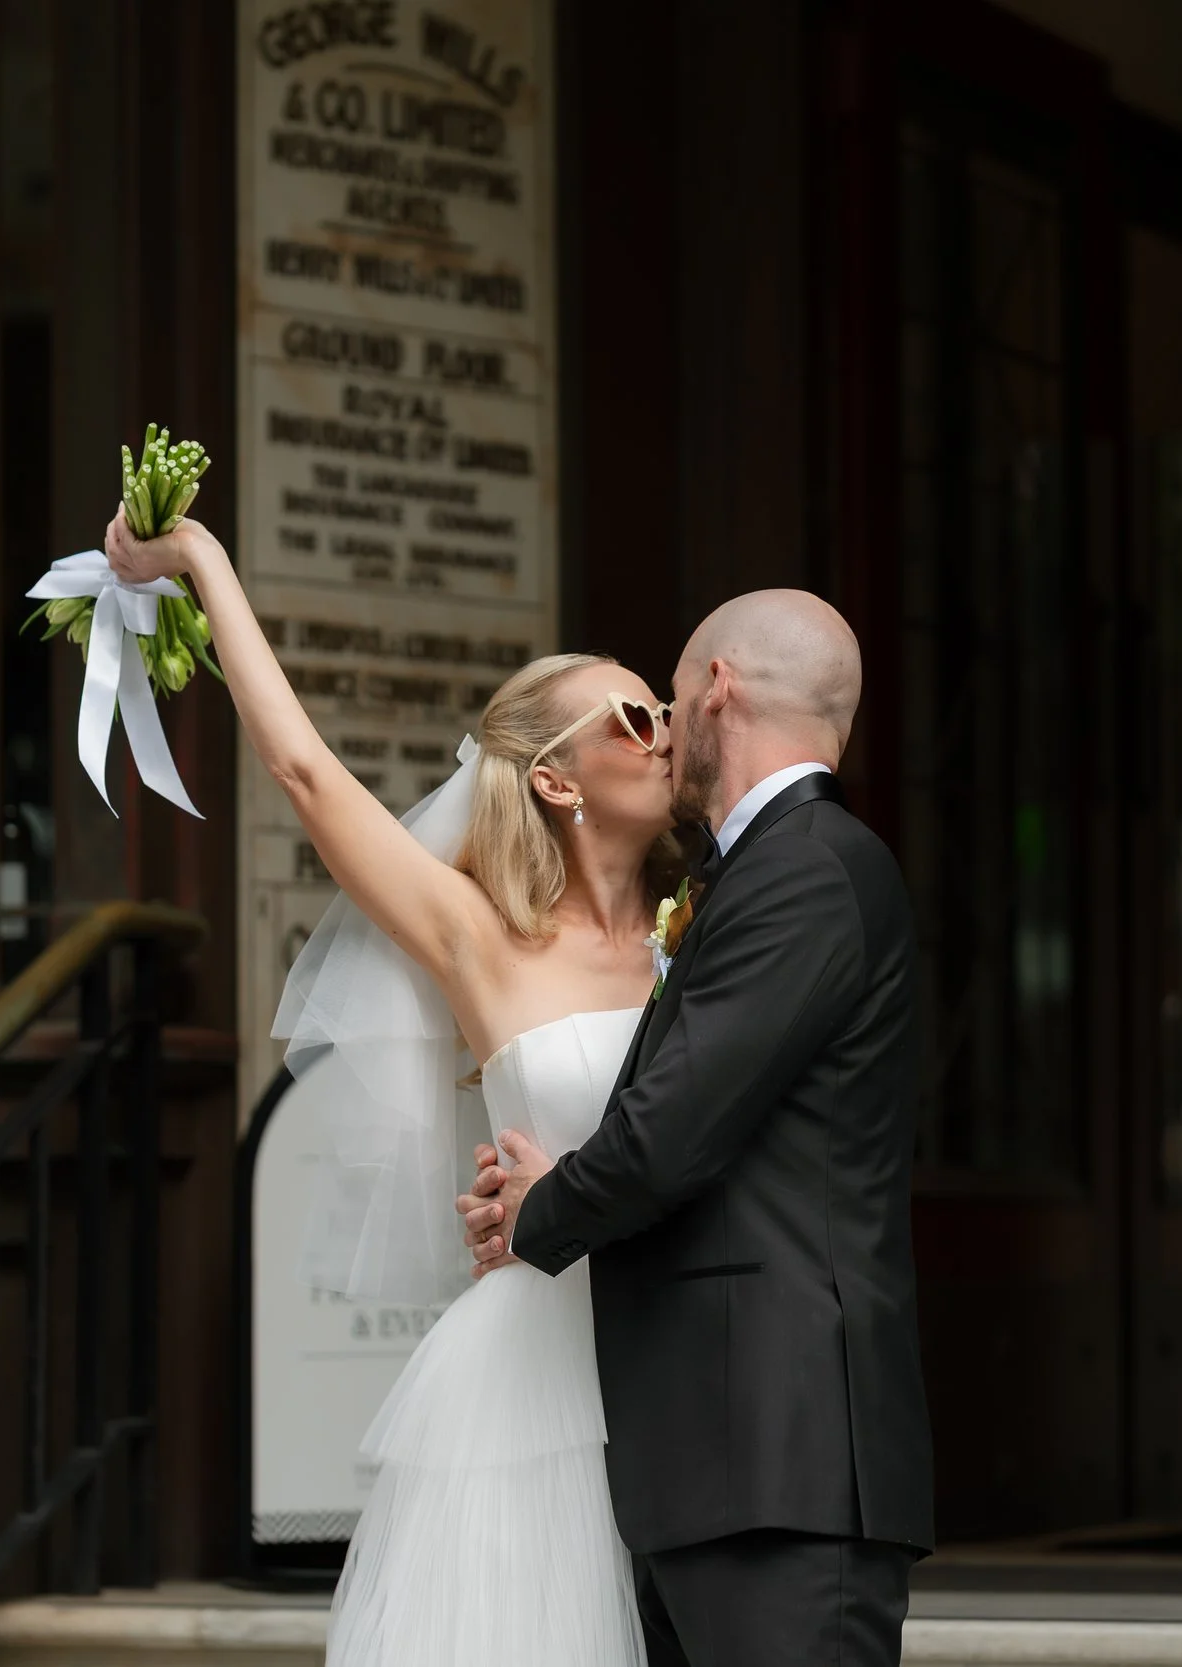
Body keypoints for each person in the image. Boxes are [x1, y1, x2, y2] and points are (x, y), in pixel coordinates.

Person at [102, 506, 677, 1665]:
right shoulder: (479, 935)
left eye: (664, 706)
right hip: (538, 1384)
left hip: (680, 1362)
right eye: (634, 714)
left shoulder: (700, 937)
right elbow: (305, 774)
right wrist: (201, 558)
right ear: (557, 780)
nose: (665, 731)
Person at [460, 589, 935, 1666]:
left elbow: (675, 1127)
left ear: (716, 685)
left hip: (784, 1465)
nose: (666, 729)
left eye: (669, 701)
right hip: (714, 1465)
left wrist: (542, 1208)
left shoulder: (808, 867)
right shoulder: (756, 872)